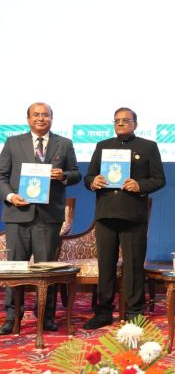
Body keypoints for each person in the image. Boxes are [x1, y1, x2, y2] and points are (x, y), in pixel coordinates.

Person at [0, 102, 81, 334]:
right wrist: (11, 196)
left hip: (48, 216)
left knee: (47, 269)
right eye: (36, 115)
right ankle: (12, 317)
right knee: (16, 269)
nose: (41, 118)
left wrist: (63, 175)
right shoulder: (13, 143)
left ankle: (46, 316)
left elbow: (76, 174)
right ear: (28, 119)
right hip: (18, 214)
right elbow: (1, 176)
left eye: (46, 115)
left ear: (52, 118)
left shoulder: (64, 143)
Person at [82, 107, 165, 330]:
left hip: (133, 214)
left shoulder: (148, 147)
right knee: (105, 264)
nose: (120, 123)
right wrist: (93, 181)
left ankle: (135, 312)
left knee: (134, 265)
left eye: (126, 120)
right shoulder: (102, 146)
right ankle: (104, 312)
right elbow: (88, 177)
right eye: (117, 120)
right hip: (106, 213)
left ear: (135, 124)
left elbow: (159, 179)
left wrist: (140, 185)